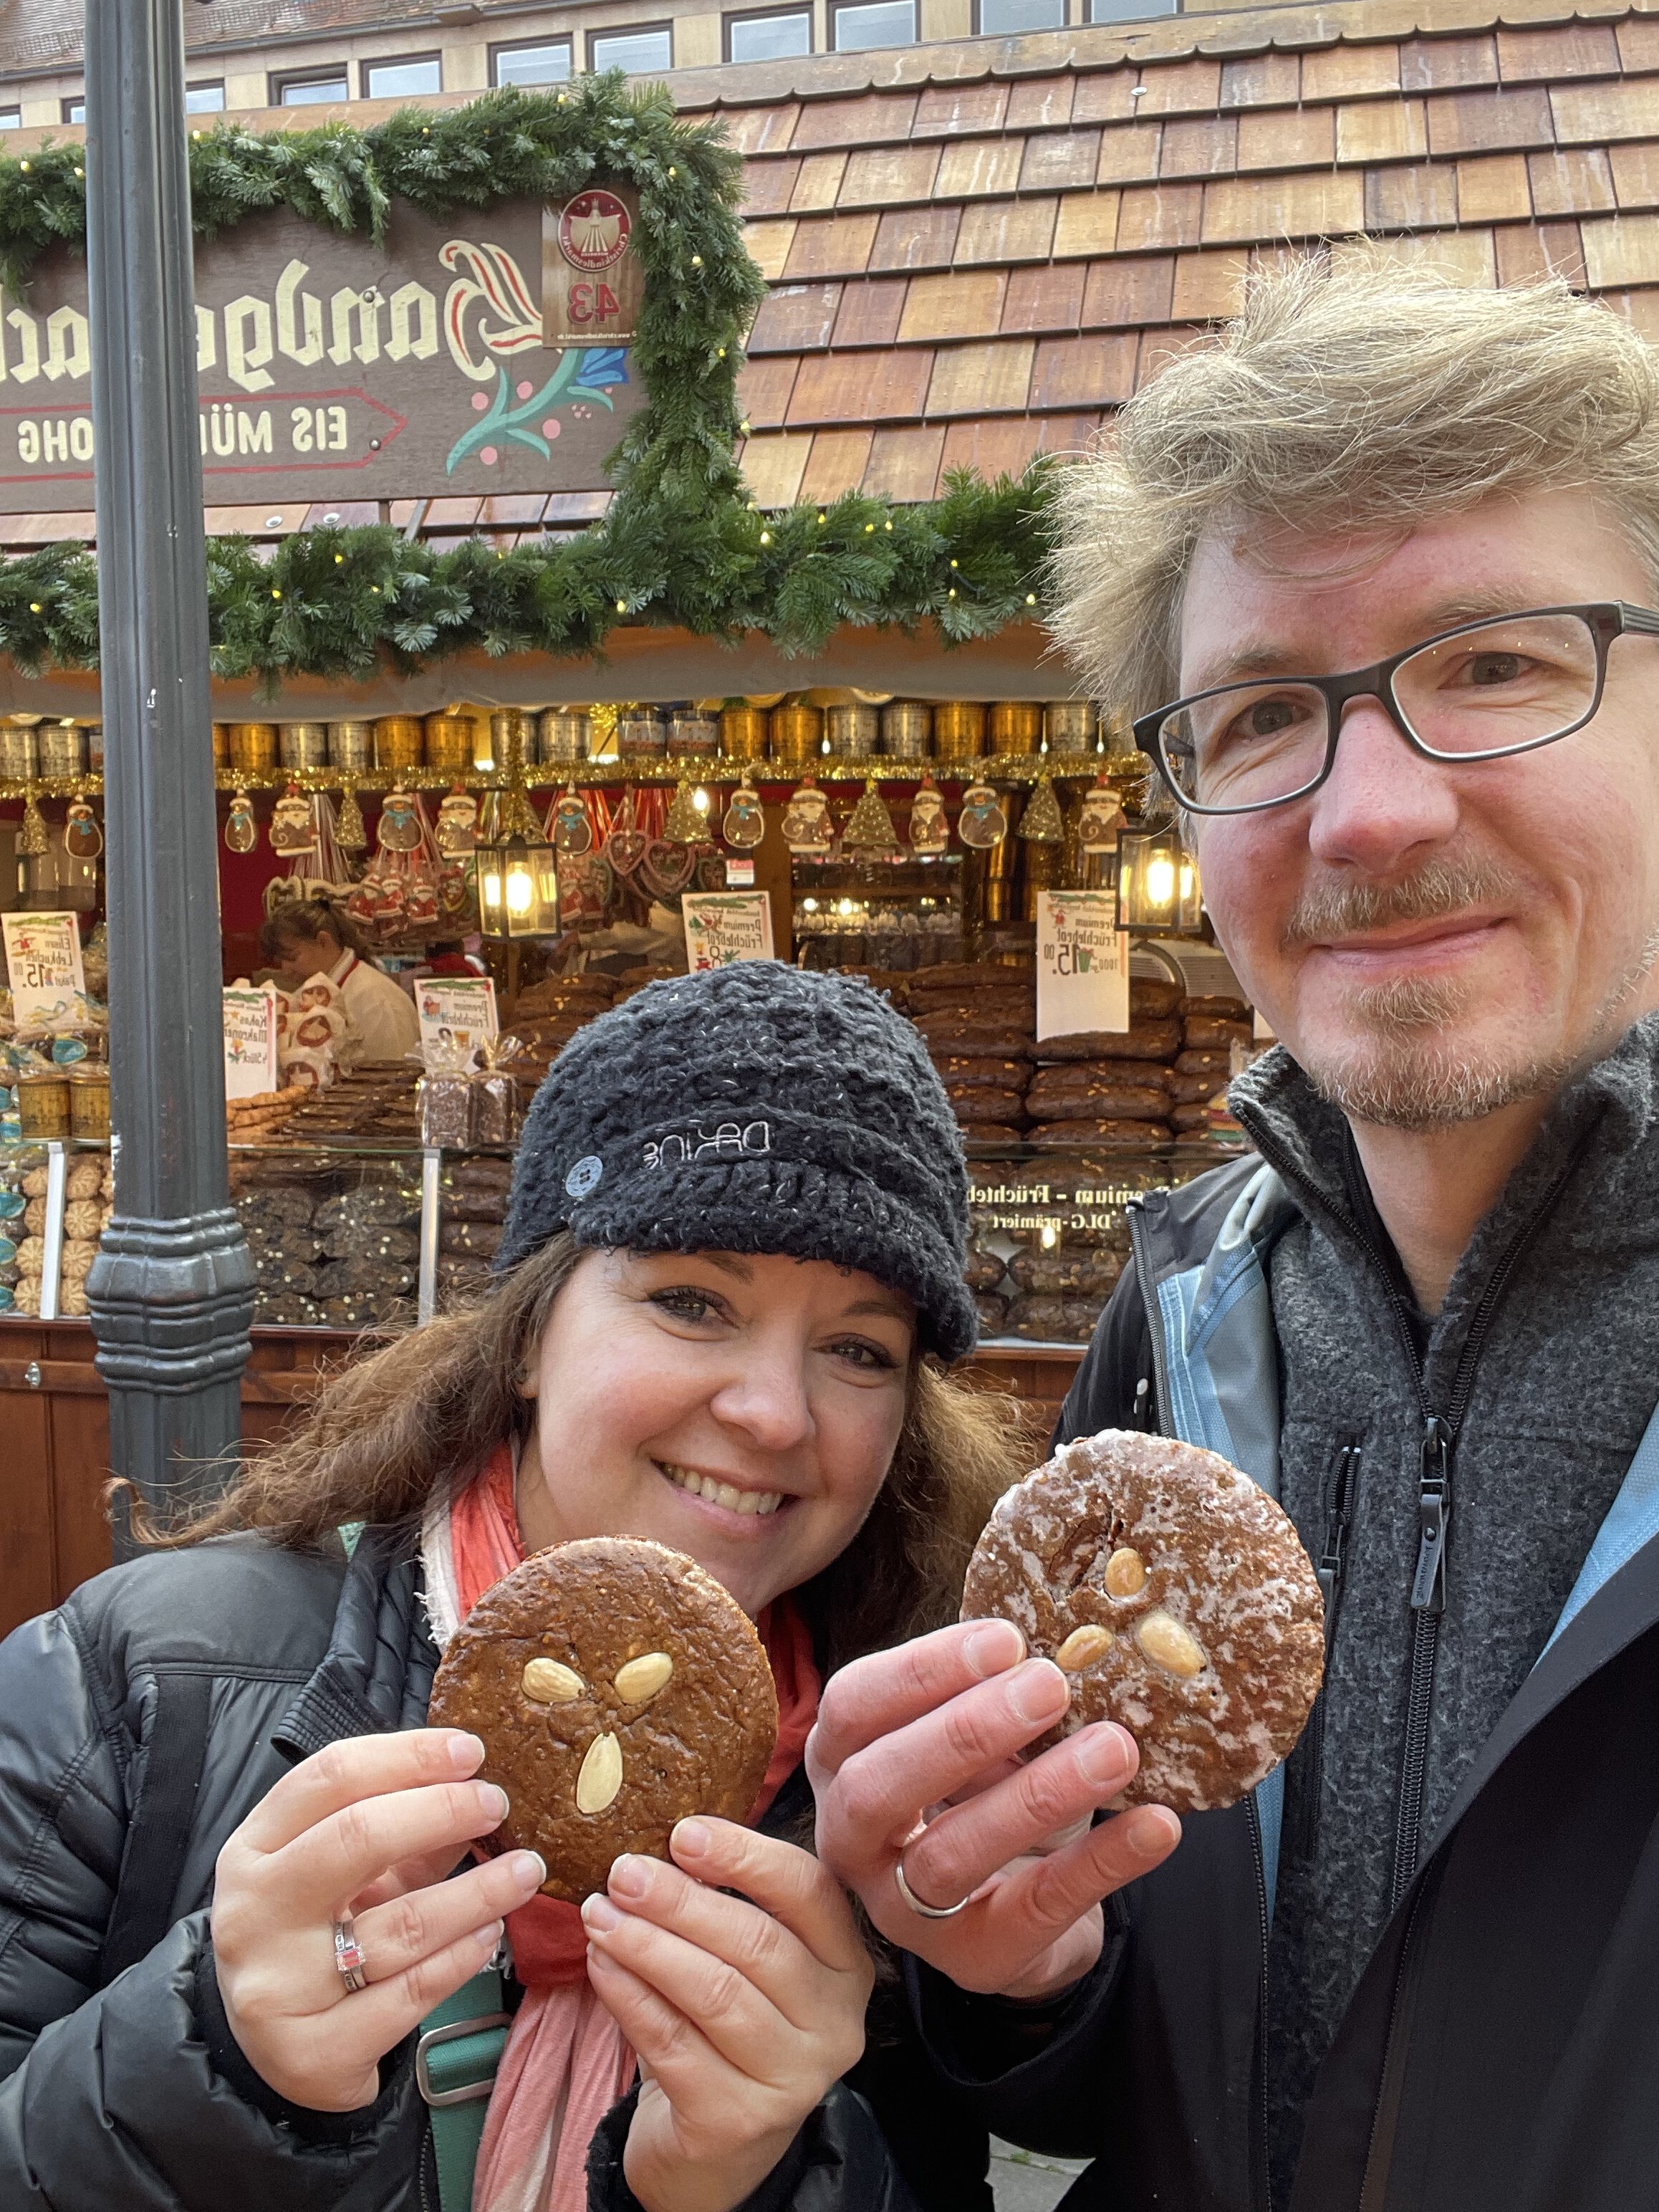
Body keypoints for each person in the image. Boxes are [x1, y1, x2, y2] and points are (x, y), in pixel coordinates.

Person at [809, 260, 1659, 2212]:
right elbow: (1139, 2088)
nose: (1363, 811)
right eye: (1264, 712)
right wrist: (1015, 1976)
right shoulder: (1186, 1318)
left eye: (1494, 661)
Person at [0, 964, 1029, 2212]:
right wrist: (209, 2056)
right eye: (692, 1301)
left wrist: (746, 2180)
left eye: (859, 1348)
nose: (771, 1411)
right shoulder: (136, 1687)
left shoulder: (906, 1815)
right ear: (533, 1331)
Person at [260, 897, 421, 1064]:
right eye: (281, 961)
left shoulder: (377, 1000)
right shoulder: (305, 993)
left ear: (324, 941)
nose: (286, 971)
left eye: (293, 958)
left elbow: (395, 1081)